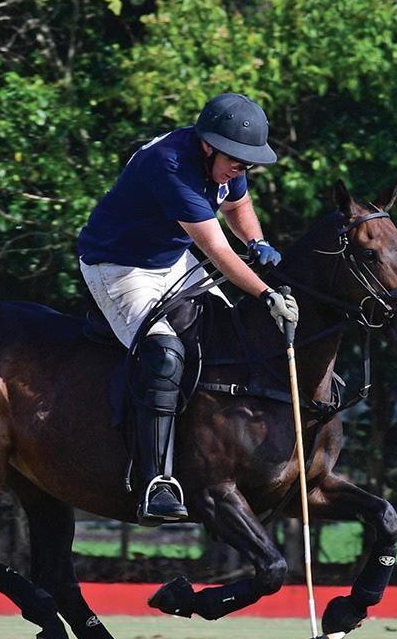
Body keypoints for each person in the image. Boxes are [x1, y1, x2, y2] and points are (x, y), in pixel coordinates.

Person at [78, 92, 298, 525]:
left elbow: (237, 204)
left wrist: (257, 240)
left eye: (247, 164)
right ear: (207, 146)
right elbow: (218, 250)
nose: (241, 169)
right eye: (236, 161)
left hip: (172, 259)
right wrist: (265, 293)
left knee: (230, 333)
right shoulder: (172, 166)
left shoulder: (227, 162)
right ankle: (156, 482)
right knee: (164, 354)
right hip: (119, 265)